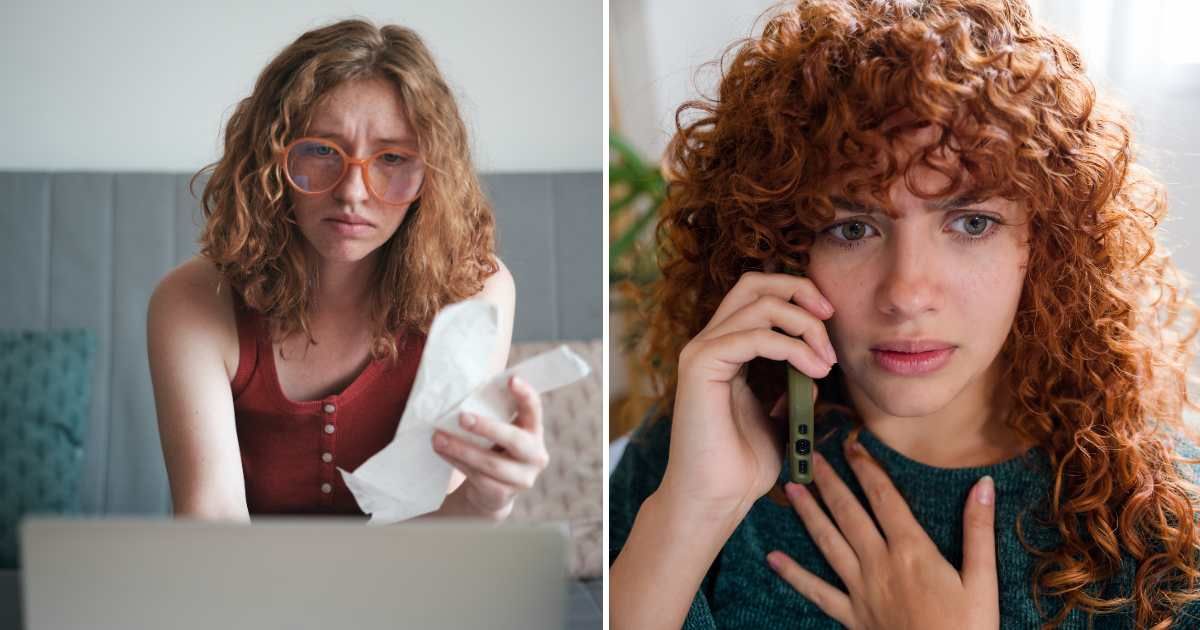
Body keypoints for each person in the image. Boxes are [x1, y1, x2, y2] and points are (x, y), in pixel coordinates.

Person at [609, 0, 1200, 628]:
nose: (907, 293)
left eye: (972, 223)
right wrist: (694, 511)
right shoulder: (704, 444)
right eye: (853, 227)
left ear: (1049, 247)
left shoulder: (1159, 523)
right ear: (783, 246)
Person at [148, 19, 549, 522]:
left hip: (411, 589)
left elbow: (440, 527)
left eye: (392, 157)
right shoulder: (191, 301)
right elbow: (212, 519)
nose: (353, 192)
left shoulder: (474, 292)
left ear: (432, 176)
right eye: (320, 150)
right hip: (245, 587)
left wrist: (486, 499)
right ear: (270, 162)